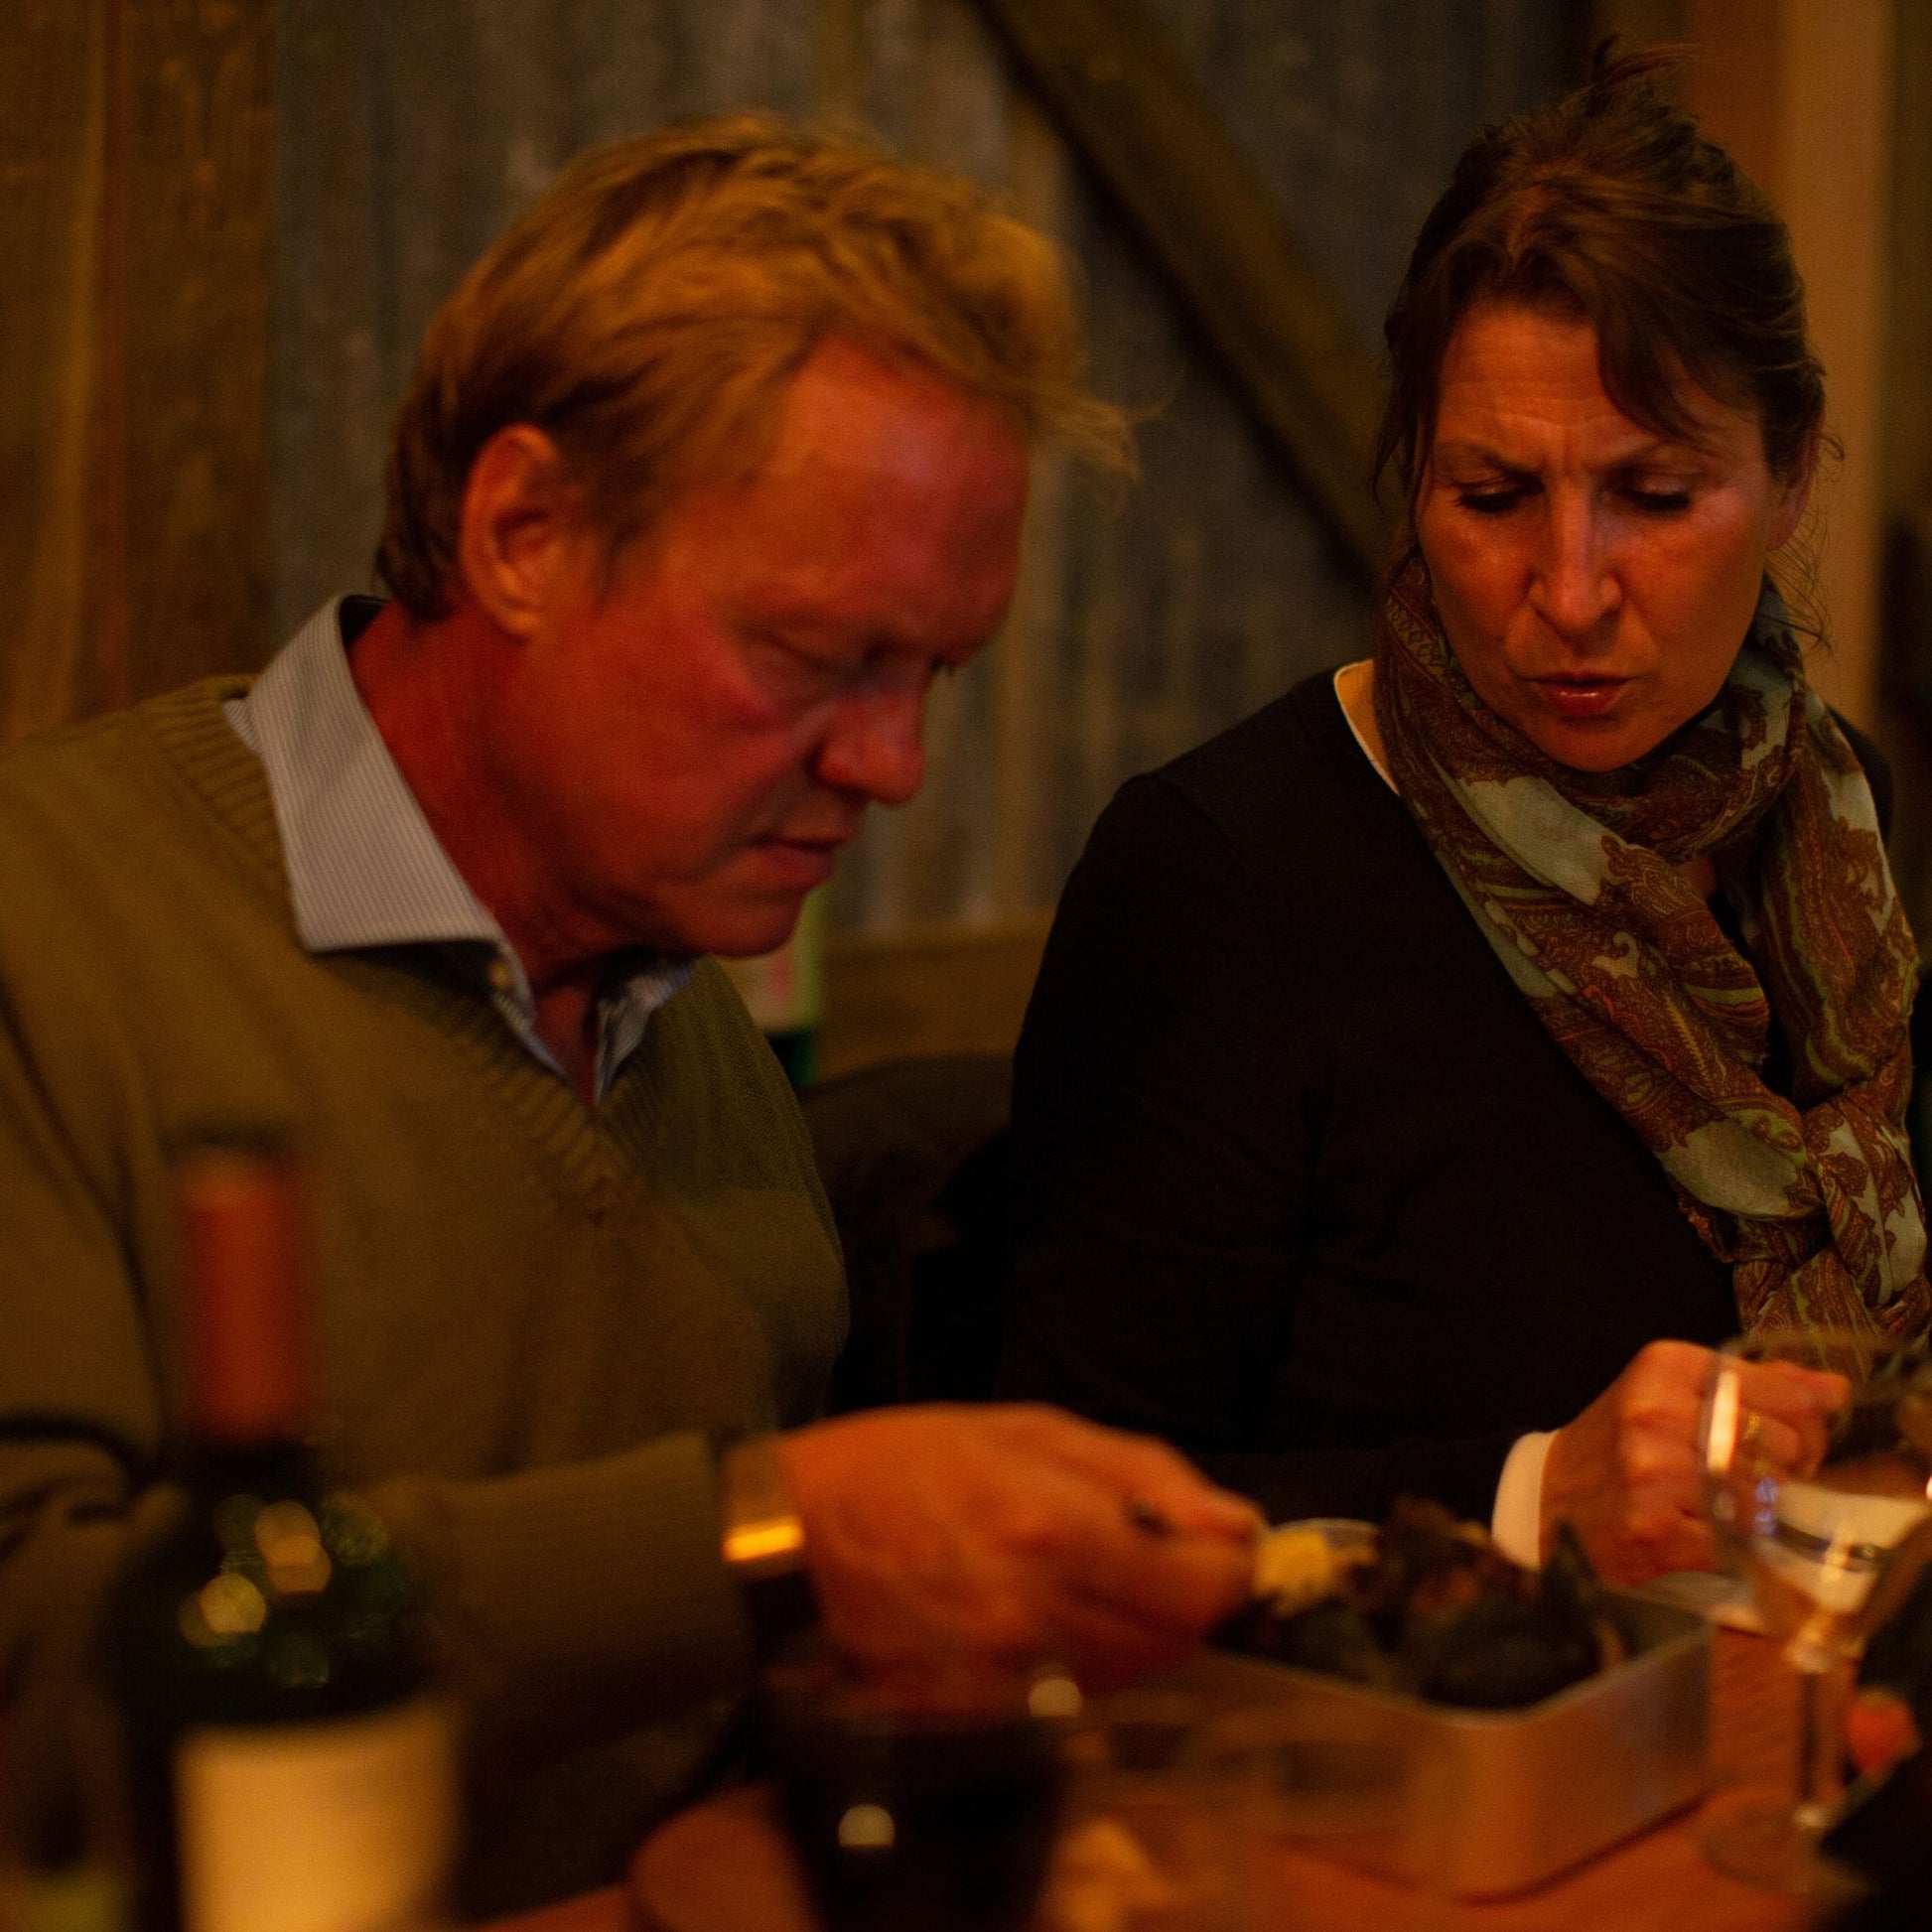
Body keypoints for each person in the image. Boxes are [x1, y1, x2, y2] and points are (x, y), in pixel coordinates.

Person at [0, 118, 1257, 1914]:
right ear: (525, 532)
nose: (893, 763)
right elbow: (35, 1678)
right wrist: (776, 1534)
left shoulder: (680, 991)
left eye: (934, 671)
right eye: (815, 655)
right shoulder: (53, 938)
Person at [1000, 49, 1923, 1590]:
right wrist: (1517, 1493)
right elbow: (1061, 1512)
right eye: (1491, 498)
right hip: (1391, 1718)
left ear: (1790, 476)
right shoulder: (1222, 878)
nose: (1568, 593)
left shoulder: (1832, 816)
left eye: (1653, 494)